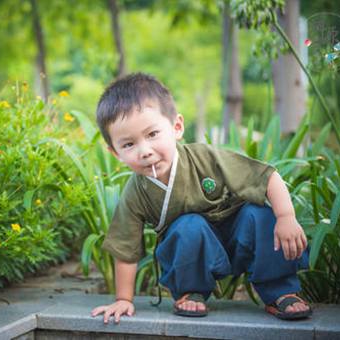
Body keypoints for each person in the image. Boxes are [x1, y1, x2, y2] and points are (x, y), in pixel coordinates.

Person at [90, 73, 312, 323]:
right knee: (188, 225)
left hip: (240, 237)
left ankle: (281, 292)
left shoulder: (205, 158)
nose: (145, 151)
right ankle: (190, 291)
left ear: (177, 127)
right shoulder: (136, 192)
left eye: (152, 134)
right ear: (115, 152)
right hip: (193, 252)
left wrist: (286, 217)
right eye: (129, 144)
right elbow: (125, 249)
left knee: (260, 214)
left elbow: (267, 178)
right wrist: (123, 299)